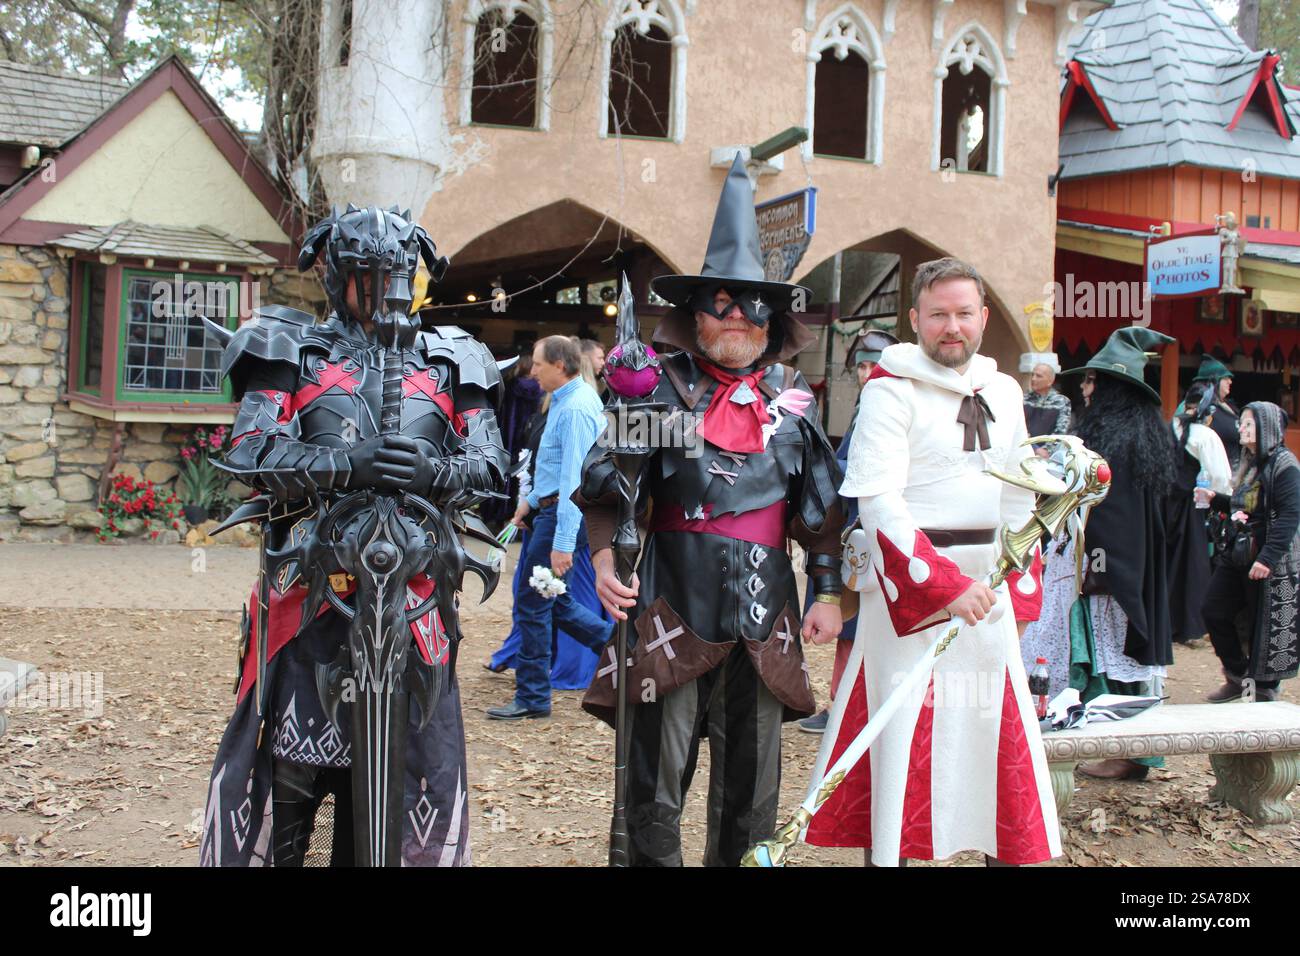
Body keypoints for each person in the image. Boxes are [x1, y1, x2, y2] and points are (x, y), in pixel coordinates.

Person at [199, 205, 508, 866]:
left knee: (392, 808)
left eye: (398, 273)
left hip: (414, 609)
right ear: (337, 274)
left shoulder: (453, 358)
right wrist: (345, 464)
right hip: (307, 609)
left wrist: (435, 469)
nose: (386, 289)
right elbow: (250, 453)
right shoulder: (289, 348)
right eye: (369, 274)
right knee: (287, 795)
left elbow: (490, 467)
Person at [577, 156, 845, 866]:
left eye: (751, 304)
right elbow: (607, 488)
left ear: (773, 318)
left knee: (752, 793)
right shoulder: (659, 393)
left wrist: (826, 591)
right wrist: (606, 563)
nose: (734, 317)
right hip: (669, 609)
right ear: (695, 315)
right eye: (719, 303)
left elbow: (817, 509)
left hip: (765, 620)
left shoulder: (791, 402)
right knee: (654, 789)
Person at [804, 257, 1055, 867]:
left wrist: (1020, 592)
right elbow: (880, 502)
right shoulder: (889, 392)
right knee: (903, 725)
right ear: (915, 319)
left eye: (963, 314)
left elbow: (1022, 494)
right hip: (909, 595)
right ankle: (891, 855)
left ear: (983, 318)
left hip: (990, 590)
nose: (952, 327)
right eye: (938, 314)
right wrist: (943, 585)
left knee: (987, 724)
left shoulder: (1003, 391)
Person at [1045, 327, 1178, 781]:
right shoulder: (1140, 438)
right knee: (1116, 659)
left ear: (1112, 391)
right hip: (1119, 568)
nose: (1084, 389)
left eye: (1092, 382)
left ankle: (1120, 750)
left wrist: (1096, 563)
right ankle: (1130, 752)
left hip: (1104, 571)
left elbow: (1111, 517)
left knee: (1105, 660)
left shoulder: (1114, 445)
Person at [487, 335, 614, 720]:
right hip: (549, 513)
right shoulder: (567, 400)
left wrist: (561, 542)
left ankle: (533, 696)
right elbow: (555, 469)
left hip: (559, 520)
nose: (532, 370)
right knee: (554, 603)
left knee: (533, 605)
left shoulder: (574, 408)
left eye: (538, 363)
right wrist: (527, 503)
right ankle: (621, 648)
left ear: (560, 365)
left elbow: (575, 480)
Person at [798, 327, 898, 734]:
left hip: (876, 532)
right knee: (850, 628)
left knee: (861, 625)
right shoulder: (866, 405)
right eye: (861, 365)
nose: (866, 372)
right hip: (854, 529)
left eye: (875, 364)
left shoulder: (893, 407)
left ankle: (849, 707)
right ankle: (843, 704)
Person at [1198, 401, 1300, 702]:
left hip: (1269, 559)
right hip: (1238, 553)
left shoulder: (1285, 465)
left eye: (1248, 424)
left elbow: (1290, 515)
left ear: (1267, 428)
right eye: (1241, 423)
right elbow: (1244, 506)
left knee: (1263, 625)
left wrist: (1268, 558)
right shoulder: (1250, 462)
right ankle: (1237, 676)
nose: (1241, 429)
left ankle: (1264, 690)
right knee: (1213, 609)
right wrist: (1216, 499)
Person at [1167, 381, 1232, 643]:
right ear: (1209, 413)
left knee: (1168, 563)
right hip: (1192, 506)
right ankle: (1190, 626)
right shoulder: (1205, 436)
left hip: (1166, 504)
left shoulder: (1171, 427)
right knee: (1192, 566)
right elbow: (1220, 477)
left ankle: (1166, 621)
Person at [1194, 356, 1241, 468]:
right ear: (1214, 381)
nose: (1230, 381)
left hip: (1232, 470)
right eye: (1226, 378)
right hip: (1209, 471)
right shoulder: (1198, 406)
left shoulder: (1228, 406)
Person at [1023, 362, 1072, 444]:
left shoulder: (1061, 401)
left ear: (1050, 381)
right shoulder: (1024, 399)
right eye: (1033, 375)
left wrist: (1047, 449)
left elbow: (1061, 431)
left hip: (1048, 453)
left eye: (1038, 376)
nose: (1033, 379)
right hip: (1023, 448)